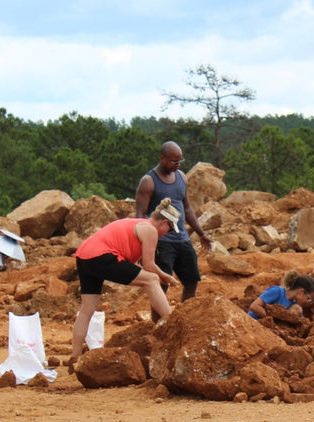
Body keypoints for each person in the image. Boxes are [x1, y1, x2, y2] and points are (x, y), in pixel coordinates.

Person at [70, 198, 182, 365]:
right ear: (164, 222)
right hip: (102, 256)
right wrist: (165, 276)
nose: (168, 233)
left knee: (87, 309)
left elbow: (135, 262)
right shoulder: (150, 230)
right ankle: (172, 324)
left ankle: (75, 356)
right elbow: (149, 266)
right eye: (170, 228)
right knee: (151, 280)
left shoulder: (139, 224)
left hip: (84, 257)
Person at [134, 140, 213, 303]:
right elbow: (140, 213)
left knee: (191, 281)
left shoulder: (181, 177)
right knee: (161, 285)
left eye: (180, 161)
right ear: (163, 158)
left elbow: (187, 207)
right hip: (161, 241)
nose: (178, 165)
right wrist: (143, 244)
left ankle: (185, 319)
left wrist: (201, 233)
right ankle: (160, 324)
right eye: (174, 161)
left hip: (182, 239)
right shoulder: (149, 181)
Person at [247, 271, 314, 320]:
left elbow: (301, 322)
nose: (307, 301)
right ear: (301, 291)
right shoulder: (277, 291)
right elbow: (254, 306)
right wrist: (273, 320)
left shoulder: (294, 306)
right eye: (308, 298)